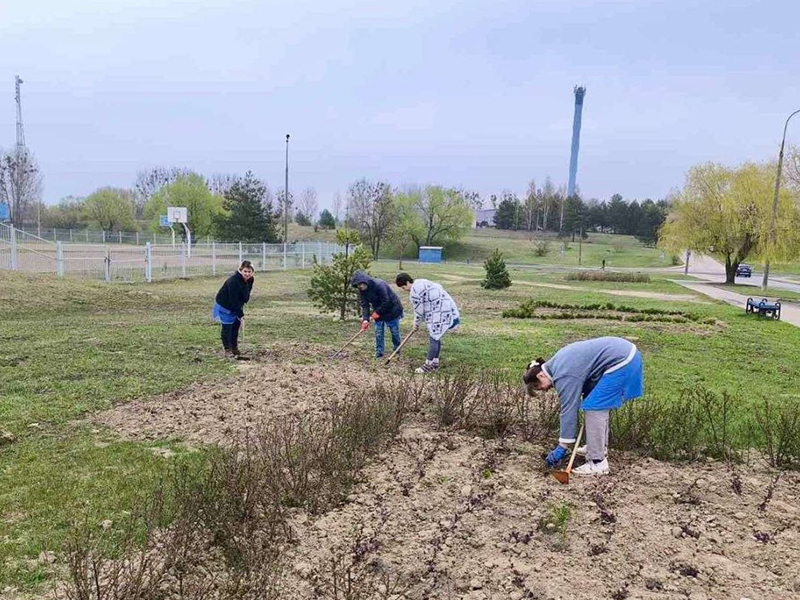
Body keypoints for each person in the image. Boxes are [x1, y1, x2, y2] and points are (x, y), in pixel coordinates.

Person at [523, 336, 643, 476]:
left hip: (622, 361)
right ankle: (596, 448)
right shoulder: (557, 365)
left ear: (541, 375)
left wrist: (562, 446)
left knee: (594, 407)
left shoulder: (563, 375)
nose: (544, 390)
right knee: (594, 404)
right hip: (625, 354)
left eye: (539, 387)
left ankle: (597, 462)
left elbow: (569, 409)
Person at [395, 272, 460, 373]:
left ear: (407, 282)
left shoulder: (414, 292)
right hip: (446, 309)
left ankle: (427, 365)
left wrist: (416, 324)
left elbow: (419, 311)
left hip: (439, 313)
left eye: (403, 287)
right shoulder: (421, 281)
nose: (404, 290)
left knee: (434, 338)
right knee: (436, 337)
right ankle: (435, 362)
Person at [350, 270, 404, 359]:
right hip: (379, 312)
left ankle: (397, 350)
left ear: (364, 281)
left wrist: (377, 312)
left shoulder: (379, 285)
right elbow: (365, 305)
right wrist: (365, 320)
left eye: (360, 284)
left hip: (392, 310)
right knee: (378, 332)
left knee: (394, 331)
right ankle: (379, 353)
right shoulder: (362, 291)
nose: (359, 286)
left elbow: (386, 301)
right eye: (357, 285)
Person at [212, 260, 255, 358]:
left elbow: (246, 294)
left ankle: (234, 347)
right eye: (245, 271)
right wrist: (240, 314)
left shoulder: (250, 280)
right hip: (225, 305)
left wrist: (242, 305)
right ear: (240, 270)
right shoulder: (233, 281)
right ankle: (227, 350)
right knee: (227, 327)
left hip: (236, 304)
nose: (247, 274)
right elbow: (233, 299)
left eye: (249, 272)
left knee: (236, 325)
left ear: (252, 272)